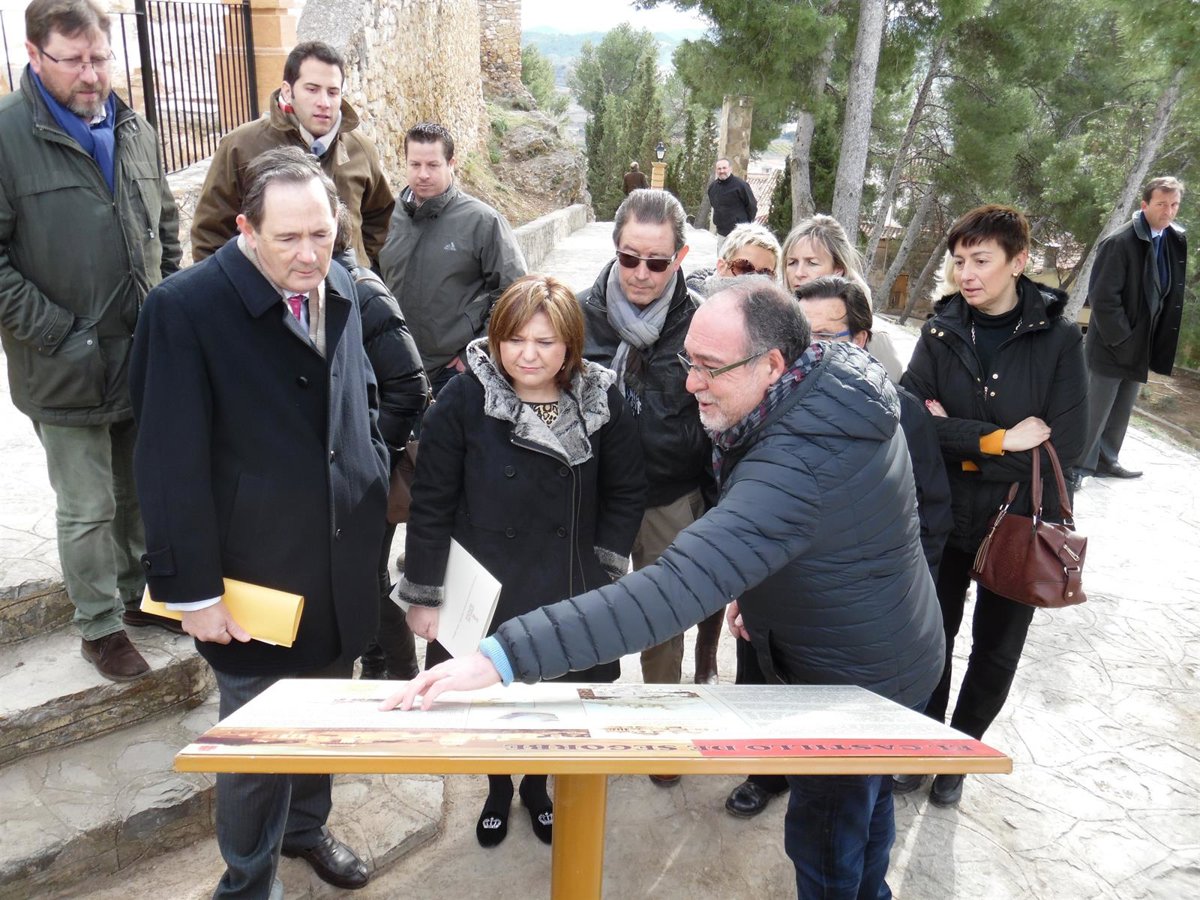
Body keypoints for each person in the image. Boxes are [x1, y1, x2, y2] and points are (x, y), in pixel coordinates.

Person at [386, 280, 944, 900]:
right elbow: (838, 529)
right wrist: (765, 587)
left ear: (772, 363)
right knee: (867, 815)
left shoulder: (796, 467)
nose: (690, 383)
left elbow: (669, 591)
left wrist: (502, 656)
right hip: (885, 643)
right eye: (688, 361)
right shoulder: (835, 384)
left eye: (709, 367)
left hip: (853, 682)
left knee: (827, 844)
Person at [130, 148, 389, 896]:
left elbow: (358, 393)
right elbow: (167, 462)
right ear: (245, 229)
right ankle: (248, 882)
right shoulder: (183, 310)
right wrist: (193, 592)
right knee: (256, 749)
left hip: (339, 564)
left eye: (323, 234)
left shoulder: (339, 281)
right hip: (251, 585)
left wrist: (371, 469)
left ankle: (306, 830)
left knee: (322, 718)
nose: (311, 255)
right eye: (289, 238)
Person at [399, 275, 645, 848]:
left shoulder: (601, 397)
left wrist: (607, 568)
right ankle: (497, 788)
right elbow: (431, 501)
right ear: (497, 339)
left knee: (555, 697)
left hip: (572, 583)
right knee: (486, 699)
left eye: (544, 341)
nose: (527, 355)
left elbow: (627, 489)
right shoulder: (465, 398)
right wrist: (425, 594)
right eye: (514, 339)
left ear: (570, 346)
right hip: (486, 585)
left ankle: (537, 787)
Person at [722, 274, 955, 821]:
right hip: (781, 617)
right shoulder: (770, 410)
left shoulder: (900, 413)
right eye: (803, 339)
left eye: (828, 337)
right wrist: (751, 591)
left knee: (839, 808)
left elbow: (930, 521)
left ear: (863, 339)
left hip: (857, 632)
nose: (812, 352)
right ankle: (764, 774)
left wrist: (886, 599)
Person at [0, 0, 181, 682]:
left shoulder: (135, 128)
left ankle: (137, 596)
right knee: (88, 507)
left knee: (138, 489)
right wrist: (59, 332)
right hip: (62, 363)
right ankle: (99, 626)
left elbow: (165, 224)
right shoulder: (7, 136)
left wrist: (169, 308)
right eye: (73, 60)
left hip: (140, 352)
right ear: (34, 54)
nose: (91, 74)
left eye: (100, 58)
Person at [900, 204, 1087, 808]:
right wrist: (1000, 441)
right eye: (959, 261)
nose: (966, 274)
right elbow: (910, 421)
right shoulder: (940, 330)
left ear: (1018, 261)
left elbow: (1065, 448)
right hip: (944, 512)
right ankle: (924, 742)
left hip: (1021, 518)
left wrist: (954, 439)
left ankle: (959, 750)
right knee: (932, 635)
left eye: (980, 260)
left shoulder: (1060, 341)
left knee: (997, 649)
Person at [577, 189, 712, 785]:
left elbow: (716, 420)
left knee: (664, 621)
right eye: (630, 257)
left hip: (668, 498)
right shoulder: (577, 315)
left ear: (679, 257)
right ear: (615, 249)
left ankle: (659, 731)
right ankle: (584, 727)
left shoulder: (702, 323)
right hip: (595, 498)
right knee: (588, 613)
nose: (641, 273)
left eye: (657, 262)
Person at [190, 40, 395, 269]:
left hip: (347, 286)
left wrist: (363, 268)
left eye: (333, 92)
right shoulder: (240, 146)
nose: (324, 102)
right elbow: (210, 233)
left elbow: (381, 220)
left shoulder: (361, 149)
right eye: (312, 89)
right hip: (267, 289)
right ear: (288, 92)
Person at [331, 208, 429, 682]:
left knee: (368, 573)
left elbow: (410, 385)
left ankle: (399, 669)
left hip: (371, 466)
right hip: (343, 466)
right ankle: (375, 664)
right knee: (357, 572)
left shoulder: (362, 292)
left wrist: (371, 453)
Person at [684, 220, 780, 687]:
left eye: (766, 272)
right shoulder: (695, 313)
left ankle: (706, 653)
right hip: (689, 465)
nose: (753, 278)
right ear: (723, 265)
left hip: (735, 468)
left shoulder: (773, 329)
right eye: (745, 267)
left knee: (720, 567)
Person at [379, 122, 527, 397]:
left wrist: (477, 350)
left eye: (433, 165)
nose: (423, 174)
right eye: (415, 165)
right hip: (392, 369)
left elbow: (515, 293)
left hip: (454, 373)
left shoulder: (482, 221)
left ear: (451, 164)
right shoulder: (386, 216)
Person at [1077, 176, 1187, 482]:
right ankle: (1075, 467)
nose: (1168, 211)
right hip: (1112, 343)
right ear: (1145, 204)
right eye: (1161, 204)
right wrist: (1123, 339)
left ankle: (1106, 460)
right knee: (1095, 410)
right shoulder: (1119, 241)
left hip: (1142, 342)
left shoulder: (1171, 239)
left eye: (1174, 205)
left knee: (1122, 408)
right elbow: (1103, 298)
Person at [781, 214, 905, 382]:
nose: (799, 273)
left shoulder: (876, 342)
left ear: (838, 269)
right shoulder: (772, 331)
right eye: (792, 262)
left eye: (812, 262)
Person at [706, 158, 757, 248]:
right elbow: (714, 205)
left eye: (724, 168)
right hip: (721, 233)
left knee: (738, 257)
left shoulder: (741, 185)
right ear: (716, 170)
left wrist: (745, 225)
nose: (722, 171)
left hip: (739, 233)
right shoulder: (712, 187)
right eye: (719, 168)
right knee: (722, 256)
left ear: (730, 169)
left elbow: (752, 206)